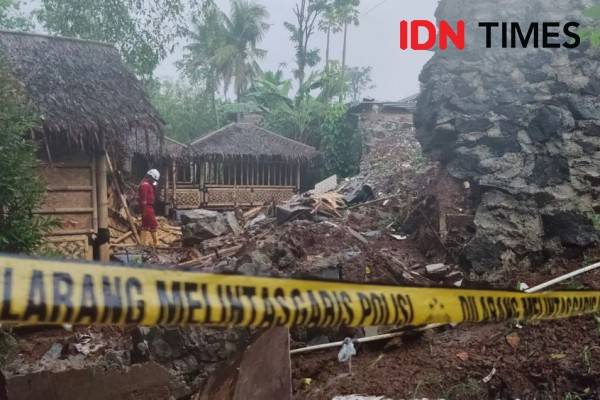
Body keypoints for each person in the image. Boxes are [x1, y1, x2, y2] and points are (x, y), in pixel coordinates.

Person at [138, 169, 160, 247]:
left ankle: (143, 243)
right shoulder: (145, 185)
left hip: (147, 206)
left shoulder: (147, 184)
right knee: (154, 224)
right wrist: (144, 210)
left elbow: (153, 189)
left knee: (145, 225)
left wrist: (154, 185)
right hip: (147, 207)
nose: (154, 181)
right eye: (153, 179)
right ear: (150, 177)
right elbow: (143, 199)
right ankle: (156, 243)